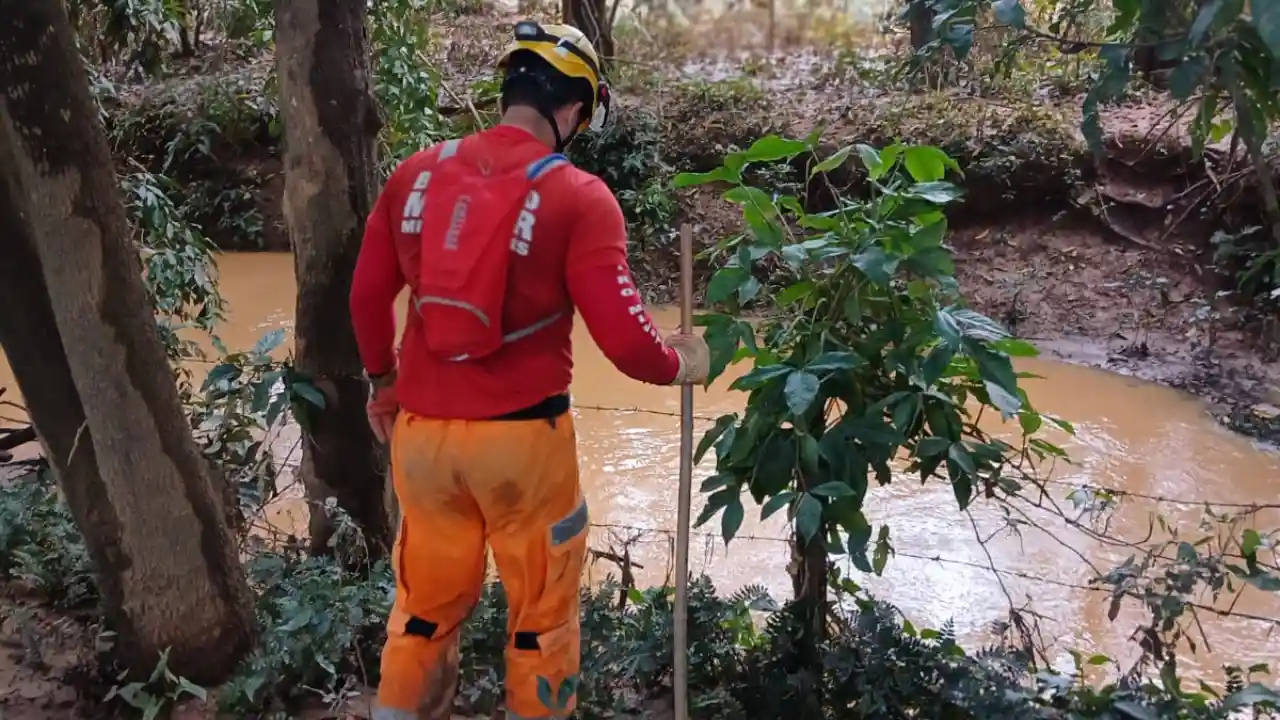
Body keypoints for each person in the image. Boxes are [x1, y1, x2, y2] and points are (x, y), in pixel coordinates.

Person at [349, 20, 710, 720]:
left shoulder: (414, 176)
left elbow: (367, 297)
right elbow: (628, 346)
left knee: (422, 613)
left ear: (510, 89)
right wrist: (682, 362)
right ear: (573, 109)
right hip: (523, 448)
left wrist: (382, 381)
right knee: (539, 622)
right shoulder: (580, 197)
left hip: (421, 439)